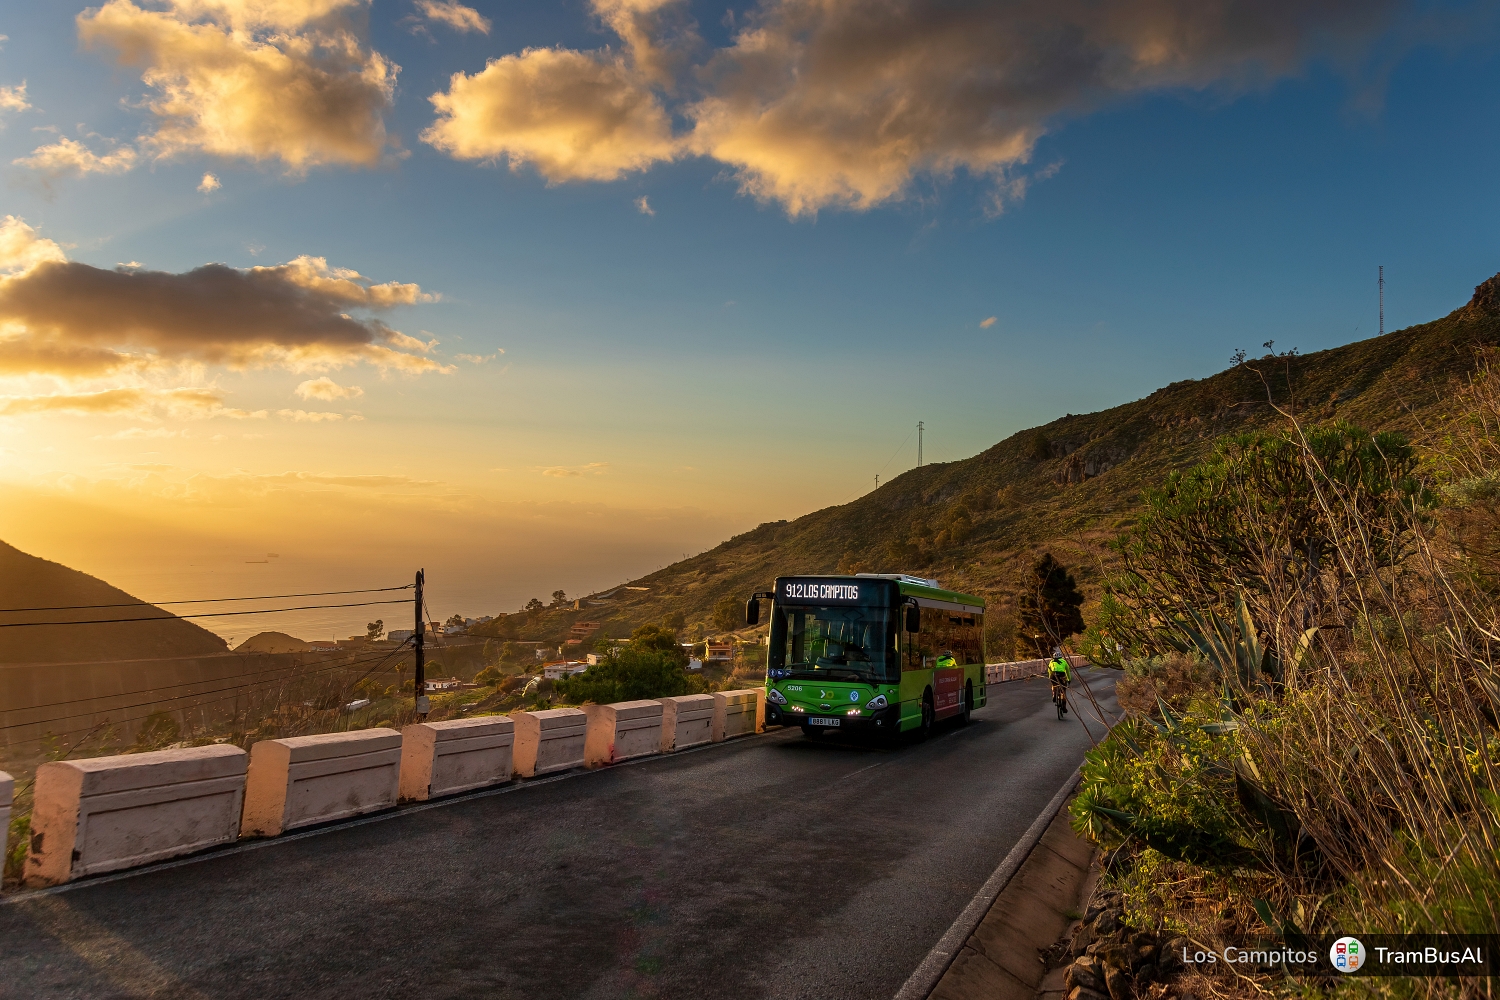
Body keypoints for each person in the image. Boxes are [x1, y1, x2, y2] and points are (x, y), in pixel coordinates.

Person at [1048, 649, 1070, 715]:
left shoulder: (1051, 662)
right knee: (1063, 691)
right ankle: (1064, 707)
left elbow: (1049, 671)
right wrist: (1069, 679)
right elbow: (1068, 671)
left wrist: (1050, 678)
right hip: (1062, 676)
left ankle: (1054, 694)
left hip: (1053, 675)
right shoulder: (1064, 661)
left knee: (1054, 685)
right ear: (1061, 656)